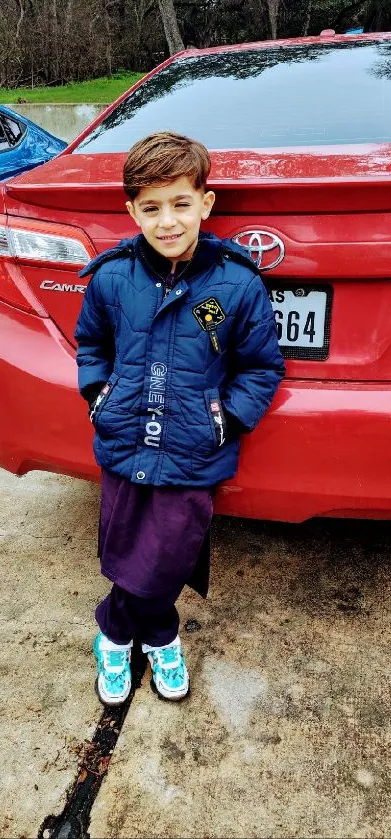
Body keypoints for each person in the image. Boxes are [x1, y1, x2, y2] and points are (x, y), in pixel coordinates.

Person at [75, 131, 285, 706]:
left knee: (169, 554)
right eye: (151, 207)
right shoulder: (114, 278)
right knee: (122, 549)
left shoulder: (237, 283)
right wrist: (99, 396)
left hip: (195, 449)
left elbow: (262, 367)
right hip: (125, 442)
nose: (167, 221)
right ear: (132, 211)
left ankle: (125, 631)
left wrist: (227, 419)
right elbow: (91, 343)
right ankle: (141, 636)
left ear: (205, 204)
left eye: (180, 204)